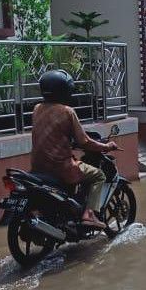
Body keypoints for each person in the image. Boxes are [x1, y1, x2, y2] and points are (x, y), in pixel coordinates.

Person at [31, 70, 118, 229]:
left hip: (38, 168)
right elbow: (84, 141)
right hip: (61, 168)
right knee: (99, 175)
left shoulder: (37, 108)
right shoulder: (67, 111)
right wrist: (106, 146)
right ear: (65, 91)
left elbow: (53, 133)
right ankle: (89, 215)